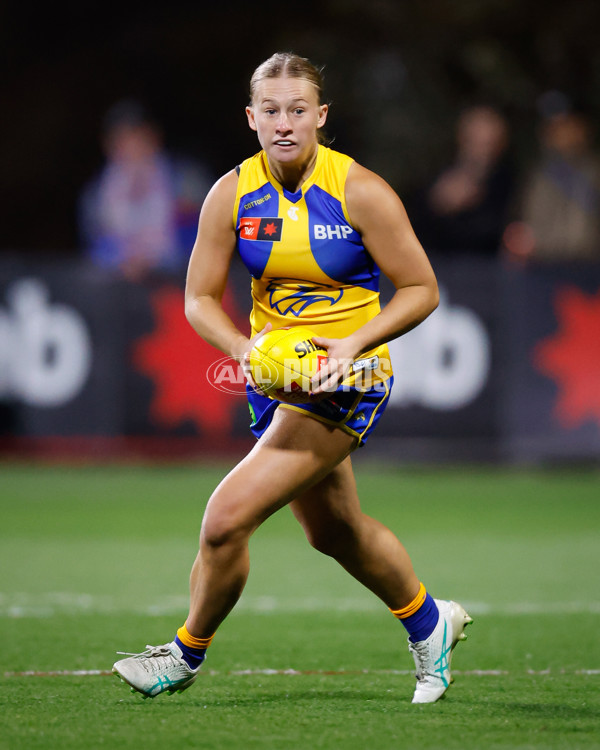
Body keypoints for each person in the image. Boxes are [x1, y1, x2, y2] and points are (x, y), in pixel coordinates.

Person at [112, 52, 472, 704]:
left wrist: (355, 342)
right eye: (271, 111)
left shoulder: (360, 190)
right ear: (251, 118)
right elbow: (198, 298)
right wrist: (243, 348)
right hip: (276, 379)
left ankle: (183, 656)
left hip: (350, 377)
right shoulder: (231, 194)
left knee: (225, 519)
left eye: (298, 110)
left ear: (320, 116)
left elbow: (421, 289)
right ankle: (430, 621)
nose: (285, 123)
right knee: (334, 531)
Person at [79, 99, 212, 281]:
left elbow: (209, 235)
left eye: (137, 135)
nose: (131, 145)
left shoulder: (185, 180)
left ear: (154, 136)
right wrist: (121, 261)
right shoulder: (96, 193)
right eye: (121, 138)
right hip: (119, 285)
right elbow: (94, 244)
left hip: (178, 283)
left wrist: (156, 260)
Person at [411, 104, 514, 256]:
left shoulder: (506, 184)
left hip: (485, 272)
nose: (481, 152)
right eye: (474, 142)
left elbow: (499, 234)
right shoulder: (437, 178)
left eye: (488, 144)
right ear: (462, 139)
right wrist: (437, 205)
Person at [503, 106, 600, 263]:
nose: (561, 133)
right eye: (553, 127)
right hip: (543, 264)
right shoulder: (537, 175)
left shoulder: (595, 171)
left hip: (589, 267)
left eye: (567, 125)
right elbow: (520, 221)